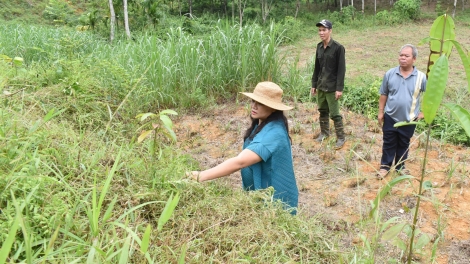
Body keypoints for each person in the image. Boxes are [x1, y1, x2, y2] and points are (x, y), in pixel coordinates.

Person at [187, 81, 299, 213]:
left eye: (261, 103)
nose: (254, 106)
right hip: (260, 197)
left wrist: (201, 176)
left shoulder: (274, 133)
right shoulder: (261, 124)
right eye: (253, 101)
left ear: (273, 108)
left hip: (276, 204)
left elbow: (240, 162)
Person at [377, 44, 427, 179]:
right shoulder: (390, 74)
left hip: (409, 118)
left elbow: (430, 96)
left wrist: (424, 113)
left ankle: (400, 167)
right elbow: (384, 94)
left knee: (404, 143)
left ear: (414, 59)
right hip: (391, 116)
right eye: (401, 55)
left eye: (406, 56)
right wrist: (381, 112)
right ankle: (385, 167)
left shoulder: (421, 77)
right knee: (388, 142)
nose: (403, 58)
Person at [311, 19, 346, 149]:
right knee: (322, 110)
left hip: (332, 87)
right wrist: (314, 84)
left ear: (330, 31)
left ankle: (341, 137)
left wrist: (339, 88)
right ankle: (324, 133)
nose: (321, 32)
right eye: (319, 30)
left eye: (324, 30)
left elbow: (341, 70)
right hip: (321, 85)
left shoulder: (338, 48)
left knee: (335, 113)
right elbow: (316, 68)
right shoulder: (319, 47)